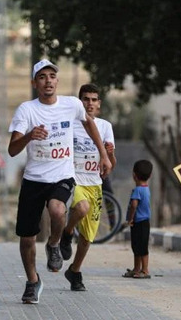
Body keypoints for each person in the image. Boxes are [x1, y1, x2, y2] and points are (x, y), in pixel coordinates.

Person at [8, 59, 112, 304]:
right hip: (34, 179)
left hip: (62, 175)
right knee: (26, 238)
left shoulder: (71, 105)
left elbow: (90, 125)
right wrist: (29, 137)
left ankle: (54, 243)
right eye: (42, 77)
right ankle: (33, 281)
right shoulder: (26, 110)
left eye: (52, 76)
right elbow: (12, 149)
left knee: (57, 209)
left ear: (57, 81)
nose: (48, 81)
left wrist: (104, 155)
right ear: (35, 83)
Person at [59, 83, 117, 291]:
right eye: (86, 99)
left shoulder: (105, 126)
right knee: (81, 208)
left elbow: (110, 165)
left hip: (95, 184)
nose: (90, 103)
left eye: (94, 100)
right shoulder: (71, 124)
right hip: (74, 180)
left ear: (99, 104)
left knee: (87, 238)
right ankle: (67, 233)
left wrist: (109, 154)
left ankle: (74, 271)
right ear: (79, 102)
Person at [123, 160, 153, 279]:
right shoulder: (146, 189)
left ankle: (144, 270)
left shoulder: (137, 190)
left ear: (134, 175)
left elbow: (134, 205)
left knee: (141, 247)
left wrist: (130, 219)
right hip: (145, 222)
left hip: (139, 222)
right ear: (150, 176)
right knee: (137, 246)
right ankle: (136, 269)